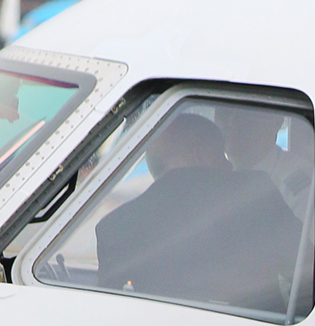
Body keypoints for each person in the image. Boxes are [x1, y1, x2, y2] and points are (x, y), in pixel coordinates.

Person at [96, 110, 302, 314]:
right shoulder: (253, 192)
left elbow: (109, 310)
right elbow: (306, 267)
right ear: (199, 153)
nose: (229, 164)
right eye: (221, 154)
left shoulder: (114, 228)